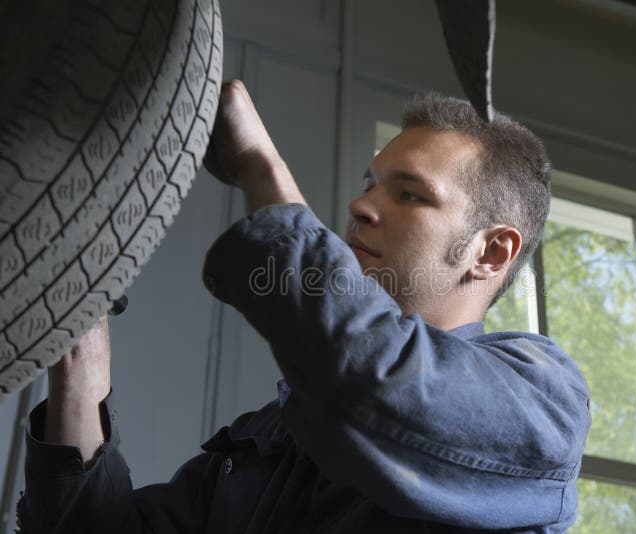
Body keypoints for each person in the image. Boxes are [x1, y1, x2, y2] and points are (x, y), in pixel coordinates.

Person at [17, 80, 590, 533]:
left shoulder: (543, 400)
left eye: (409, 193)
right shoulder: (277, 431)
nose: (360, 205)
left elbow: (371, 376)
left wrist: (261, 169)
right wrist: (78, 330)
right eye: (371, 183)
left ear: (491, 251)